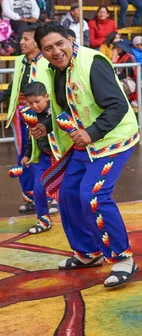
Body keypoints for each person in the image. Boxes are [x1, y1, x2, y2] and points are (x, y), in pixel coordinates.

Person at [34, 23, 139, 287]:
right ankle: (88, 252)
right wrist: (45, 126)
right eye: (48, 48)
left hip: (113, 139)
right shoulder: (52, 70)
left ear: (70, 39)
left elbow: (117, 105)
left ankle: (123, 258)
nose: (56, 51)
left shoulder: (92, 63)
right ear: (42, 53)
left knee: (92, 195)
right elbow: (66, 108)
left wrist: (92, 132)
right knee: (68, 194)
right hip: (85, 143)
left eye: (60, 44)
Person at [0, 24, 51, 214]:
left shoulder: (48, 61)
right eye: (21, 39)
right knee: (24, 155)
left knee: (45, 153)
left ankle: (48, 196)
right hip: (20, 115)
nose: (21, 42)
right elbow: (14, 86)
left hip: (42, 114)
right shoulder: (20, 61)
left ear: (37, 42)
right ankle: (30, 198)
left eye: (26, 39)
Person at [20, 82, 57, 234]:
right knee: (38, 189)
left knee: (70, 191)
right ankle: (44, 220)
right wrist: (27, 154)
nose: (34, 106)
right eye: (30, 103)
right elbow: (32, 138)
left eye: (37, 101)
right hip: (44, 156)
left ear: (46, 97)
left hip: (60, 156)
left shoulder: (56, 111)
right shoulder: (31, 116)